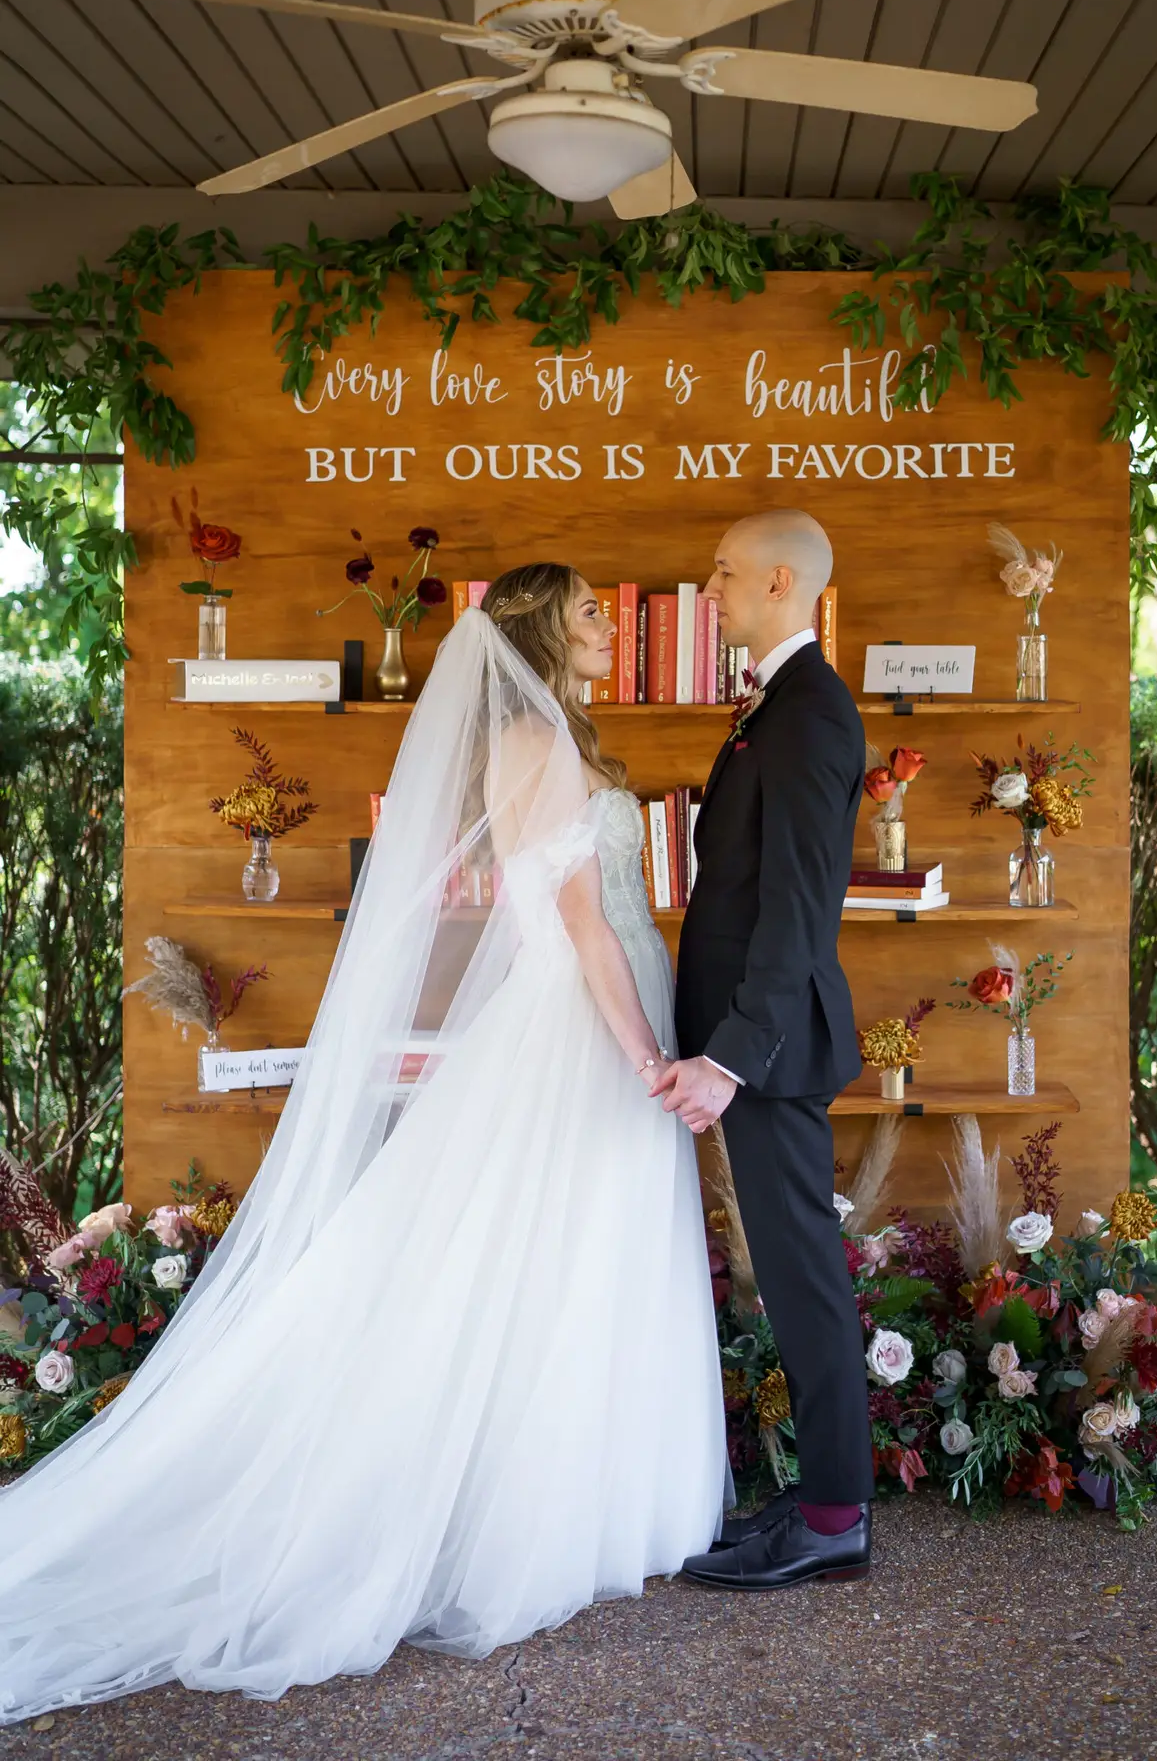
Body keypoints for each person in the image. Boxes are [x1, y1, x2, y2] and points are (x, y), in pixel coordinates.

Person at [0, 564, 726, 1724]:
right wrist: (645, 1056)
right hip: (585, 1026)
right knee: (550, 1253)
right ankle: (534, 1509)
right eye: (590, 613)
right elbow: (584, 924)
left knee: (573, 1252)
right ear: (542, 629)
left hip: (604, 1008)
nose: (607, 627)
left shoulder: (548, 736)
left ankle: (585, 1492)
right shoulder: (535, 746)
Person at [653, 510, 875, 1589]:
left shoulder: (808, 715)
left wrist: (731, 1052)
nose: (710, 583)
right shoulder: (778, 703)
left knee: (801, 1279)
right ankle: (821, 1498)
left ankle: (835, 1514)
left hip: (770, 1050)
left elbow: (793, 911)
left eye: (724, 569)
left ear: (781, 583)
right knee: (791, 1277)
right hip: (754, 1041)